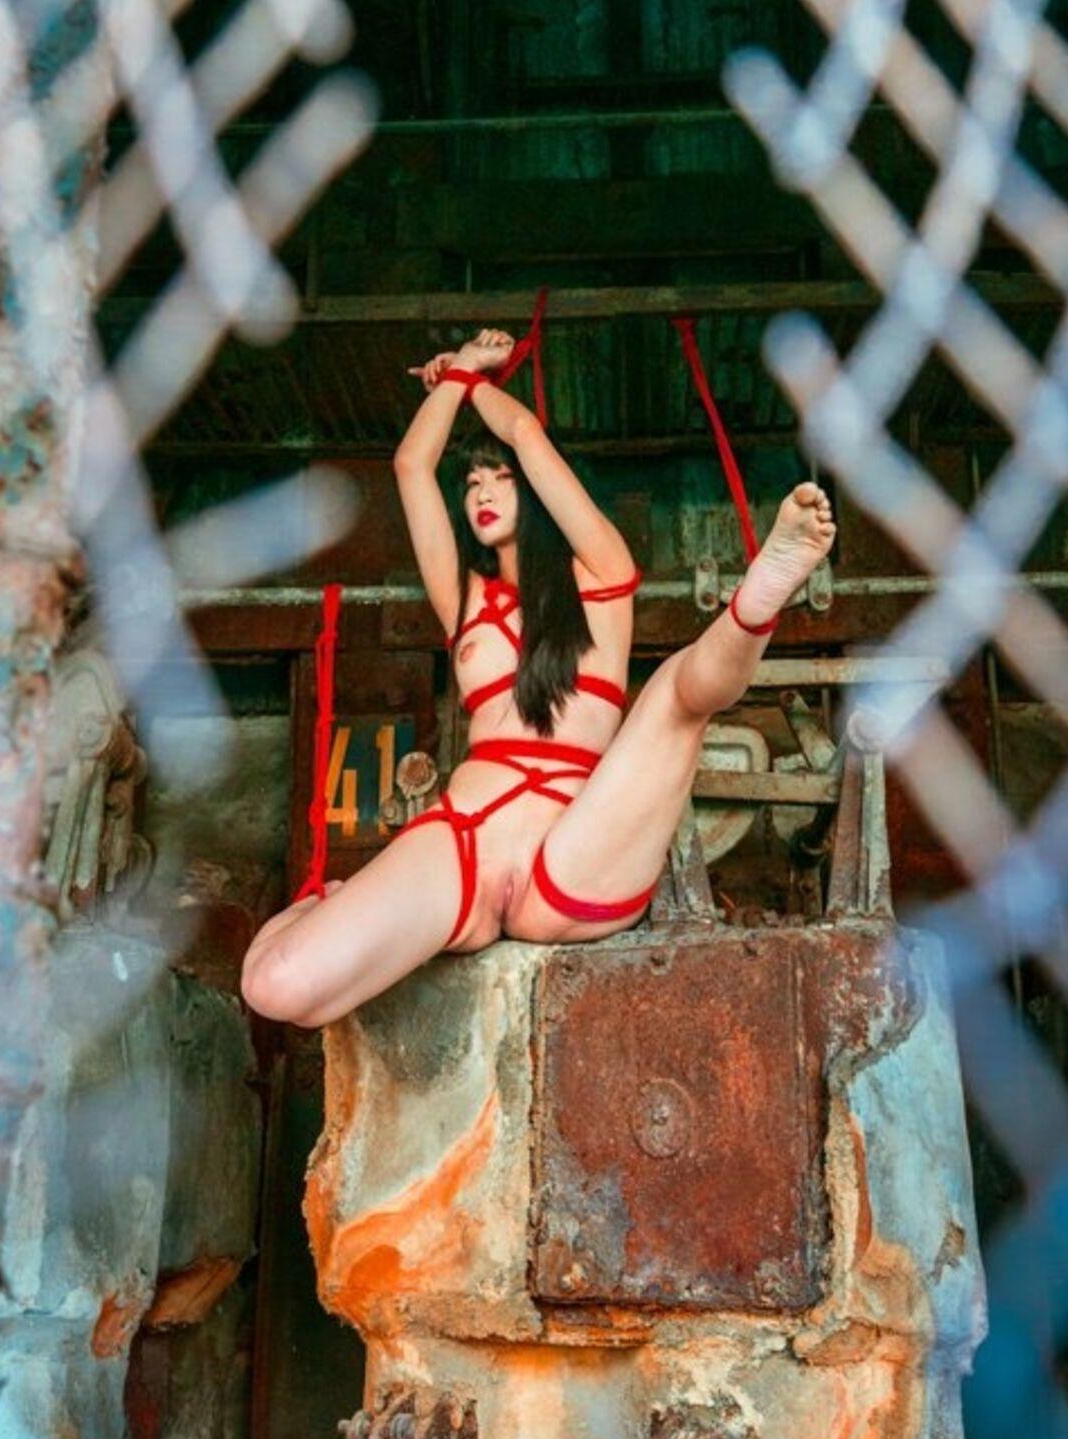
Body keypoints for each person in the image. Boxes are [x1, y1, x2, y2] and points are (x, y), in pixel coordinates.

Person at [240, 327, 836, 1027]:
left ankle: (757, 600)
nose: (483, 493)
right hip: (463, 839)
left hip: (576, 853)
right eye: (472, 484)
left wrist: (480, 388)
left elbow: (523, 433)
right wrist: (459, 372)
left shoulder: (601, 576)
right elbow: (411, 464)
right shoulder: (463, 601)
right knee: (273, 985)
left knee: (675, 692)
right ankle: (329, 903)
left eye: (499, 479)